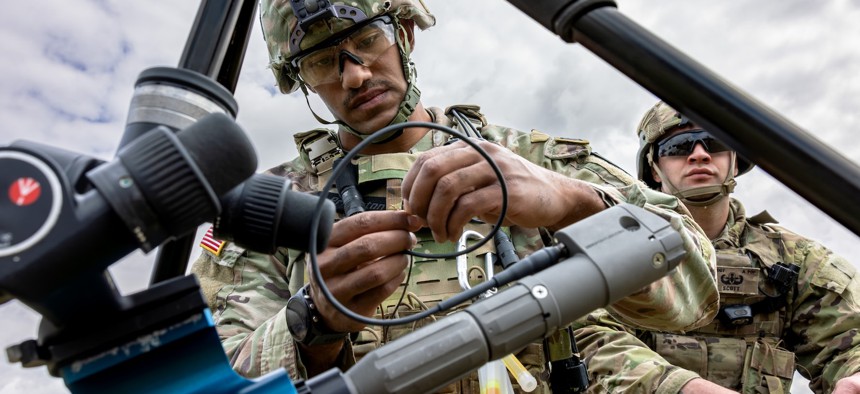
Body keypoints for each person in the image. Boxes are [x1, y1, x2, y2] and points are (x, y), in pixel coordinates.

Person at [191, 2, 721, 392]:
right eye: (321, 61)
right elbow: (209, 374)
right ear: (301, 80)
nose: (353, 74)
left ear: (404, 33)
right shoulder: (270, 210)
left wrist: (571, 201)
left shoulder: (530, 158)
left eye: (366, 39)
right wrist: (313, 322)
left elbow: (696, 291)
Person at [572, 101, 860, 393]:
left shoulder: (794, 259)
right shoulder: (612, 244)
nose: (699, 155)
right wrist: (680, 388)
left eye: (714, 142)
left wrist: (855, 374)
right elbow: (585, 337)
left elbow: (847, 338)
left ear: (734, 161)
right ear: (655, 169)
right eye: (678, 146)